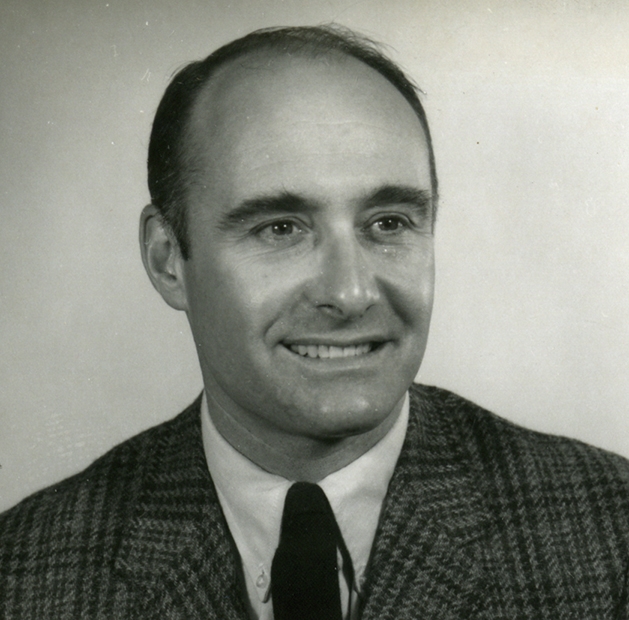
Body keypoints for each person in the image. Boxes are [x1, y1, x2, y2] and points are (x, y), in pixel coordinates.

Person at [0, 25, 628, 620]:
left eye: (389, 223)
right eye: (280, 229)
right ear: (168, 260)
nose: (350, 293)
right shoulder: (22, 576)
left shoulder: (612, 536)